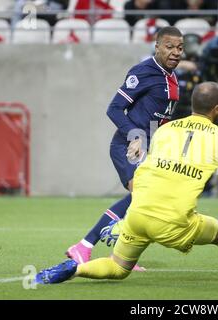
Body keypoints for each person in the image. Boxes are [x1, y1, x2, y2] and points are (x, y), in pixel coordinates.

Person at [35, 82, 218, 285]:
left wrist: (127, 221)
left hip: (138, 215)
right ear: (217, 109)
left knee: (118, 267)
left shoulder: (165, 132)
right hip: (174, 223)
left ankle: (75, 269)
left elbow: (144, 173)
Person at [65, 26, 183, 270]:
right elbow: (114, 108)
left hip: (151, 147)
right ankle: (84, 246)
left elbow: (163, 117)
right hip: (128, 146)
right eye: (169, 46)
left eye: (179, 47)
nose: (175, 52)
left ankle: (122, 255)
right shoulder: (143, 72)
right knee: (142, 196)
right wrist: (135, 136)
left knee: (146, 201)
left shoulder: (172, 76)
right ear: (157, 46)